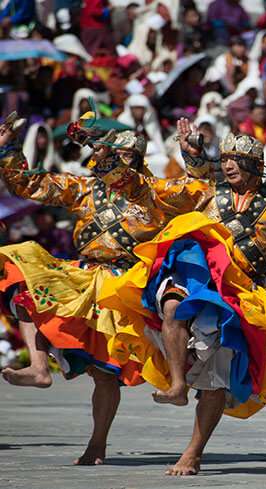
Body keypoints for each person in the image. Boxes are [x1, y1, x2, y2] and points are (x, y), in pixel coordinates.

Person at [94, 118, 266, 476]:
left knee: (216, 377)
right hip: (199, 278)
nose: (229, 163)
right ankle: (177, 384)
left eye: (238, 158)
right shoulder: (204, 191)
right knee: (172, 302)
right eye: (226, 157)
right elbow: (145, 190)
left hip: (242, 293)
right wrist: (106, 160)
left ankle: (193, 452)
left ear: (254, 166)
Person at [0, 120, 185, 466]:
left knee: (104, 373)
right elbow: (29, 184)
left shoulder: (156, 193)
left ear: (132, 159)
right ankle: (40, 368)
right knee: (21, 278)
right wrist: (7, 149)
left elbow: (196, 190)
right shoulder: (85, 188)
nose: (99, 159)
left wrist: (197, 156)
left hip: (122, 284)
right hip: (81, 275)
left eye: (109, 153)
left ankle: (97, 445)